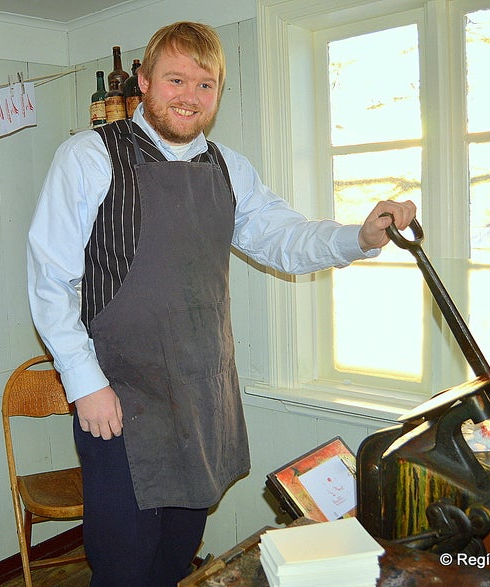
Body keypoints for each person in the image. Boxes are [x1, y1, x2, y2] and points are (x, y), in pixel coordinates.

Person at [26, 21, 416, 587]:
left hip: (201, 396)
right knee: (123, 567)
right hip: (117, 400)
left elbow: (284, 239)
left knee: (179, 556)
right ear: (144, 81)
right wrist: (84, 382)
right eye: (175, 80)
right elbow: (49, 279)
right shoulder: (89, 157)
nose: (189, 96)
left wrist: (358, 237)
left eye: (204, 85)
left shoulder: (229, 168)